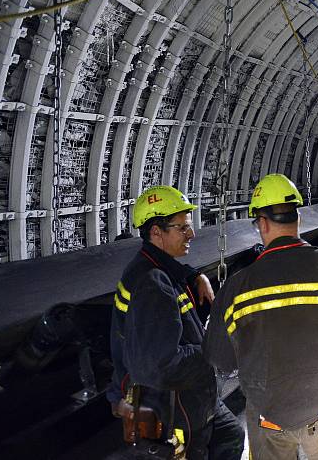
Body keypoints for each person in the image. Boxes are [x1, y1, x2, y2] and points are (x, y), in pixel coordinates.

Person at [204, 174, 318, 460]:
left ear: (263, 223)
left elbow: (221, 358)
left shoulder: (237, 286)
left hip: (269, 415)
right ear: (298, 219)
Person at [108, 185, 244, 459]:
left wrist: (195, 276)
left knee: (231, 435)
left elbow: (168, 271)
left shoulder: (153, 266)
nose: (191, 234)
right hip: (175, 403)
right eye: (182, 228)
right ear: (157, 233)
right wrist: (214, 350)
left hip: (193, 393)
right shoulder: (152, 285)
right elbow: (161, 365)